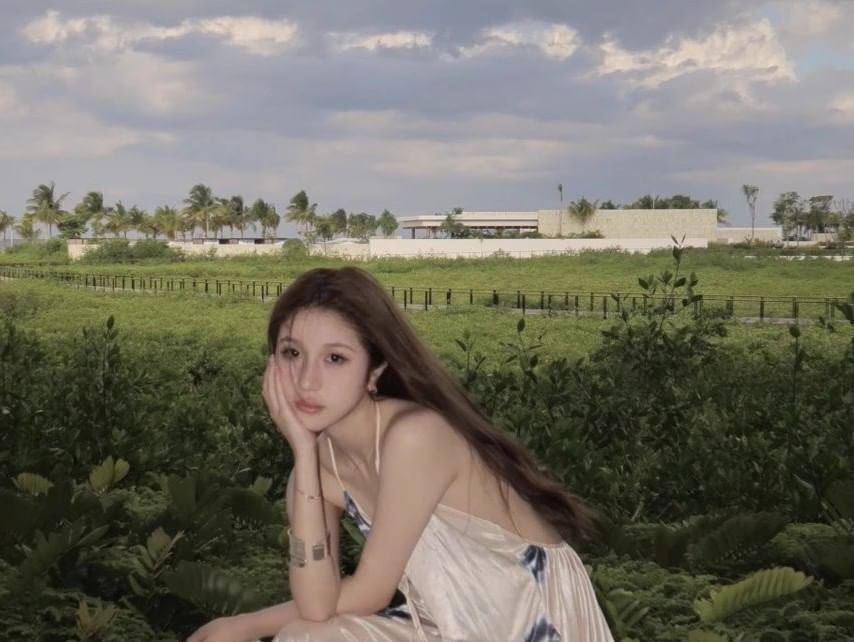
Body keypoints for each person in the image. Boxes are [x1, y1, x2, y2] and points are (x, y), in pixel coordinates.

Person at [188, 267, 614, 642]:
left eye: (335, 358)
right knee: (307, 636)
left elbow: (370, 592)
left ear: (374, 371)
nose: (306, 380)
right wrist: (303, 452)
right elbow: (317, 607)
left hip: (528, 615)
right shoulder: (316, 469)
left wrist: (245, 625)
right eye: (292, 353)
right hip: (442, 623)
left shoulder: (414, 436)